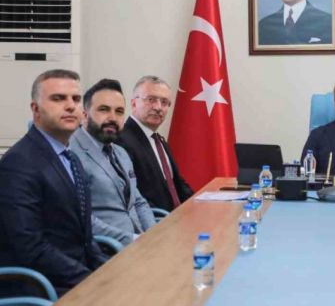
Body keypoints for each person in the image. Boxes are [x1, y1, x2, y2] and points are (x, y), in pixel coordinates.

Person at [0, 69, 107, 296]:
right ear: (35, 109)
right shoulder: (17, 164)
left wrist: (108, 270)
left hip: (74, 274)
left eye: (76, 99)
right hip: (42, 285)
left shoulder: (71, 158)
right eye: (58, 98)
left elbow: (85, 238)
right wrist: (90, 280)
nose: (70, 106)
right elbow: (30, 247)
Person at [70, 79, 156, 247]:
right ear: (84, 115)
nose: (112, 118)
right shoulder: (70, 152)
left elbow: (138, 202)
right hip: (107, 248)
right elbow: (81, 218)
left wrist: (154, 235)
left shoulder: (120, 152)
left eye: (119, 111)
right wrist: (132, 239)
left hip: (139, 243)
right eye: (103, 109)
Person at [116, 76, 193, 212]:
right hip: (155, 220)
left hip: (178, 216)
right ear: (134, 103)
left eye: (164, 102)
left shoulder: (158, 140)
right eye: (151, 100)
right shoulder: (122, 141)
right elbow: (132, 195)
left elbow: (177, 185)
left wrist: (202, 203)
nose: (158, 107)